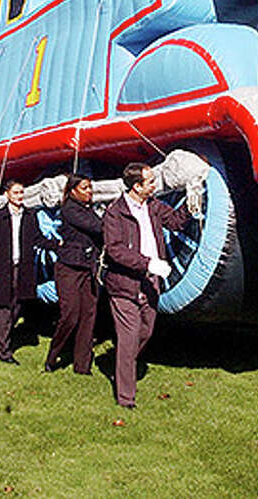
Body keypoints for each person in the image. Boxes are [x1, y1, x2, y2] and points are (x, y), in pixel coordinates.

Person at [103, 162, 193, 408]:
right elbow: (115, 250)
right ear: (137, 186)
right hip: (124, 283)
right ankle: (126, 397)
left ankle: (122, 363)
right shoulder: (115, 212)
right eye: (150, 181)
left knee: (146, 331)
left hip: (150, 281)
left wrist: (190, 204)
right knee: (129, 336)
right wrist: (147, 263)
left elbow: (174, 222)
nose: (155, 185)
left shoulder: (153, 206)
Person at [0, 179, 54, 364]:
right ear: (7, 194)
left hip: (22, 268)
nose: (20, 196)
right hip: (1, 269)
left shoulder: (29, 215)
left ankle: (3, 335)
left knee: (18, 305)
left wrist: (58, 244)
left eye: (22, 192)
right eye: (16, 193)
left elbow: (38, 238)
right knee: (3, 308)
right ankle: (3, 349)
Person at [44, 174, 104, 374]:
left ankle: (82, 365)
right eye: (85, 188)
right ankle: (53, 356)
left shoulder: (88, 210)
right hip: (69, 268)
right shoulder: (70, 210)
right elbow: (97, 227)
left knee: (89, 315)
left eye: (90, 188)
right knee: (70, 314)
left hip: (88, 268)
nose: (89, 192)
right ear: (72, 191)